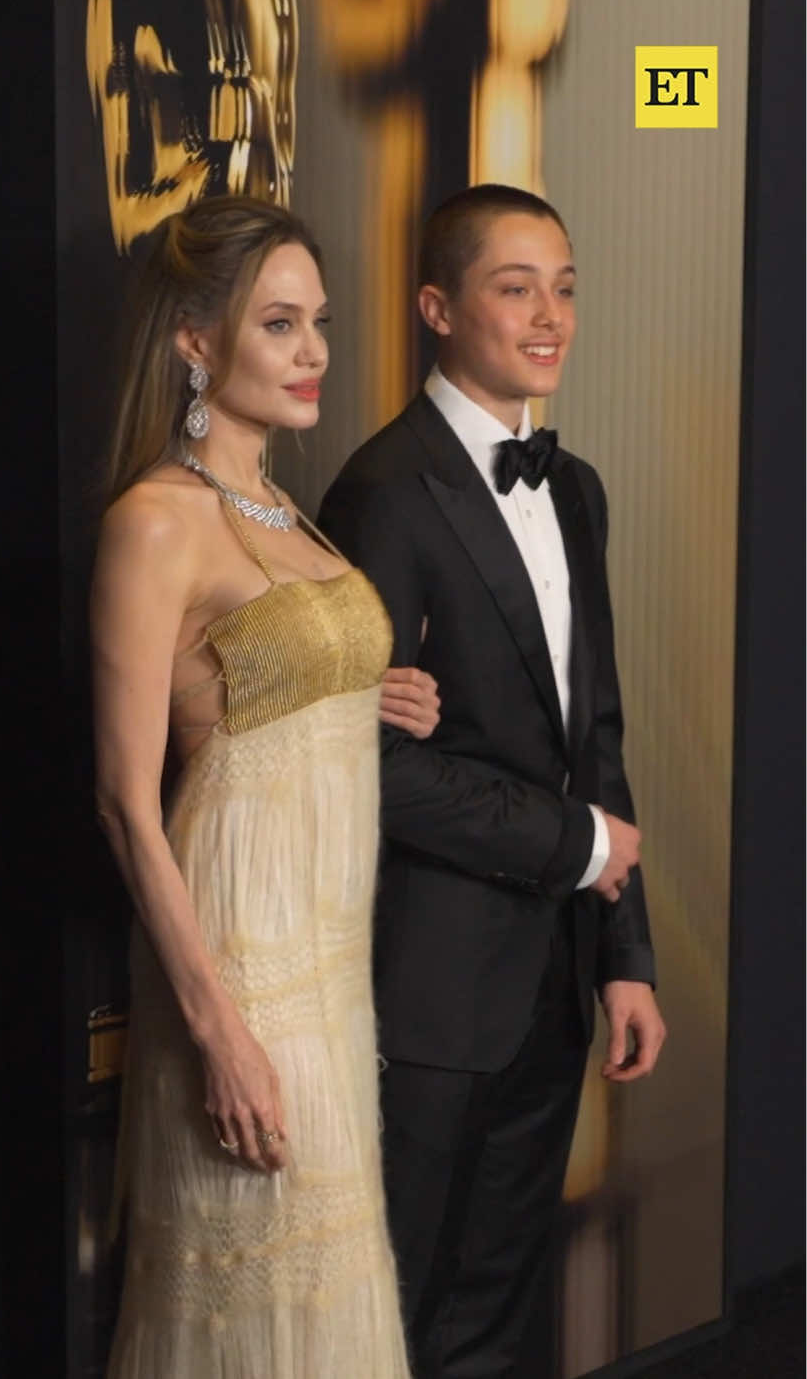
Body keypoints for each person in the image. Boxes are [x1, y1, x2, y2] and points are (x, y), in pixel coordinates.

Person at [317, 183, 667, 1379]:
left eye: (564, 286)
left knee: (500, 1311)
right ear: (437, 308)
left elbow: (600, 741)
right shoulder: (380, 491)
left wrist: (625, 957)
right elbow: (366, 768)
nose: (550, 316)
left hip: (559, 978)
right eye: (515, 288)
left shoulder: (578, 490)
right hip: (428, 984)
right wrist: (574, 846)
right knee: (396, 1312)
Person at [91, 195, 438, 1378]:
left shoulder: (281, 507)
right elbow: (125, 799)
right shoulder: (156, 522)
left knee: (333, 1306)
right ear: (195, 339)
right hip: (243, 974)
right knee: (247, 1317)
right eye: (280, 324)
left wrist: (363, 687)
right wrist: (214, 1030)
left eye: (320, 322)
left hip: (332, 976)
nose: (316, 353)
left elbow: (260, 684)